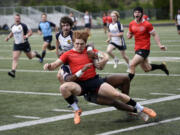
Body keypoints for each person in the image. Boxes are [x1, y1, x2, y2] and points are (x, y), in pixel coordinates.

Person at [44, 30, 157, 125]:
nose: (79, 46)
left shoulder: (89, 51)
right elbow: (54, 65)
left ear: (85, 44)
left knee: (116, 95)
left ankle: (142, 108)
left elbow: (104, 55)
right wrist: (48, 66)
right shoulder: (67, 54)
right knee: (63, 87)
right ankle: (76, 110)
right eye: (77, 43)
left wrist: (103, 59)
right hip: (80, 85)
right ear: (73, 42)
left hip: (94, 81)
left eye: (81, 44)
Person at [127, 7, 169, 81]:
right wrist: (129, 35)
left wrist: (159, 45)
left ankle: (124, 85)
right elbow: (130, 34)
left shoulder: (147, 24)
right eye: (135, 12)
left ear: (142, 13)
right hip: (137, 48)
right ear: (133, 14)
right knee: (147, 69)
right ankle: (161, 66)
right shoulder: (131, 24)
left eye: (138, 12)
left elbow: (155, 34)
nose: (137, 14)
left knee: (132, 65)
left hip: (144, 49)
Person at [5, 14, 41, 78]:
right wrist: (8, 37)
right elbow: (12, 33)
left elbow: (30, 32)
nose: (17, 19)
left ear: (20, 19)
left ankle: (35, 53)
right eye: (16, 18)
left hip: (24, 44)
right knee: (15, 58)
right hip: (16, 45)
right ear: (14, 19)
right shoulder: (13, 26)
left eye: (18, 18)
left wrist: (26, 36)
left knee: (30, 57)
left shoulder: (23, 25)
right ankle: (13, 71)